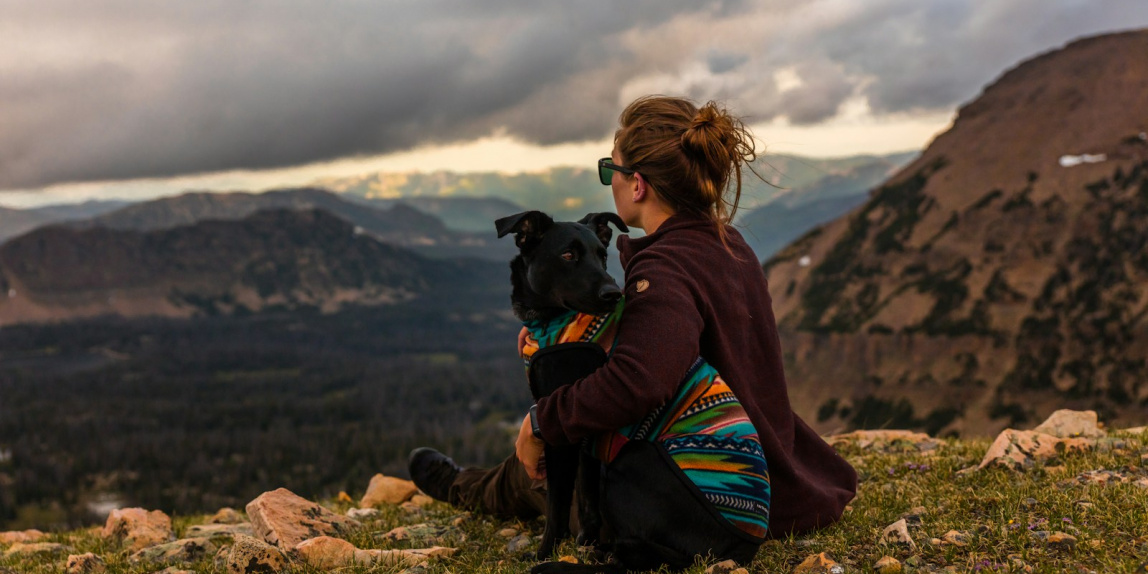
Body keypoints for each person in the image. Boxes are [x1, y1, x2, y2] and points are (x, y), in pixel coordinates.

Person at [409, 95, 856, 548]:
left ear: (637, 184)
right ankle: (472, 482)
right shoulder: (729, 243)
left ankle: (461, 488)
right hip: (768, 463)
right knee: (559, 437)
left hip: (702, 489)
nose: (610, 183)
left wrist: (540, 420)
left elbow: (639, 381)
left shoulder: (665, 267)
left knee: (541, 467)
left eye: (611, 169)